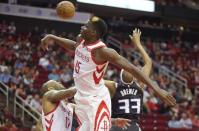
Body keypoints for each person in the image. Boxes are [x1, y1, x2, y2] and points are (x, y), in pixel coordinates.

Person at [41, 16, 175, 131]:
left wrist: (157, 90)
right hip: (81, 98)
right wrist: (53, 37)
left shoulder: (103, 52)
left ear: (93, 33)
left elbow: (132, 68)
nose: (82, 27)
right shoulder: (81, 40)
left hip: (96, 100)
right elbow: (73, 46)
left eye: (86, 26)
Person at [105, 28, 176, 131]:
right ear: (135, 76)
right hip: (133, 127)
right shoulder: (139, 85)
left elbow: (94, 80)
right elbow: (148, 62)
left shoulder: (113, 86)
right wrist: (138, 44)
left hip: (117, 126)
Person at [41, 80, 132, 131]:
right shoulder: (47, 97)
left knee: (90, 115)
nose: (60, 83)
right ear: (51, 88)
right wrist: (86, 84)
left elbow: (92, 115)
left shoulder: (69, 106)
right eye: (56, 82)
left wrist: (114, 120)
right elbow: (69, 92)